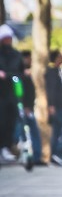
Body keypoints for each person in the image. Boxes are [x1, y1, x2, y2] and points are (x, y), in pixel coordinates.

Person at [0, 24, 23, 162]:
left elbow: (18, 74)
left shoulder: (16, 55)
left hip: (11, 95)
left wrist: (8, 75)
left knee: (10, 122)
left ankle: (7, 146)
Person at [19, 51, 43, 165]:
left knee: (33, 132)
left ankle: (36, 157)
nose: (30, 61)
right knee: (24, 133)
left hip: (28, 108)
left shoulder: (26, 74)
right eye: (29, 59)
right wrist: (25, 106)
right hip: (24, 108)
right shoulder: (19, 75)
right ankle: (26, 156)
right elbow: (21, 93)